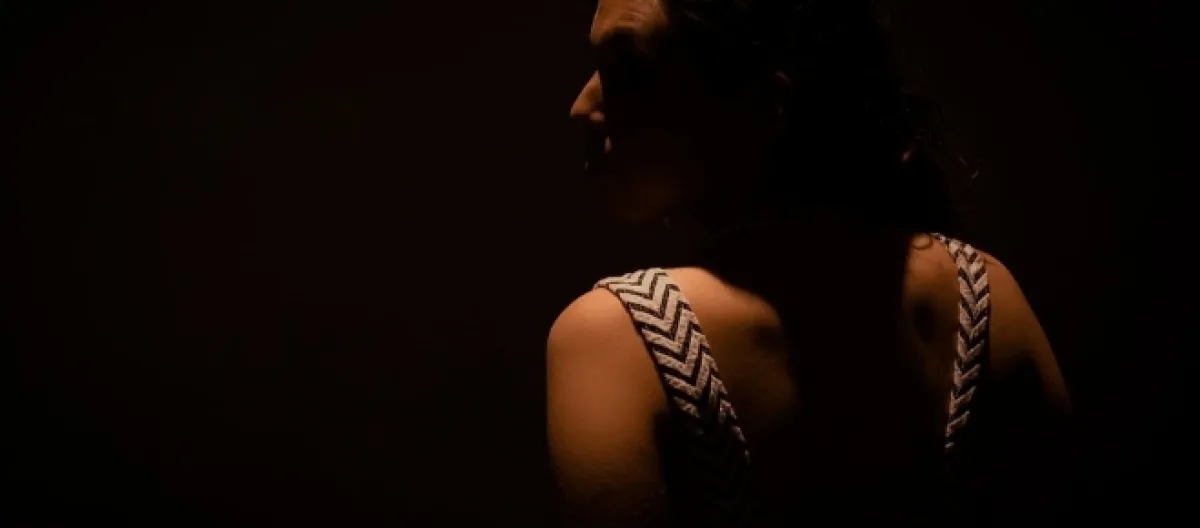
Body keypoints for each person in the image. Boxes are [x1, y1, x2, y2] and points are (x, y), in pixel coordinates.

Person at [546, 0, 1072, 526]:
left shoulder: (615, 340)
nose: (580, 105)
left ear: (766, 101)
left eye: (628, 68)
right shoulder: (988, 296)